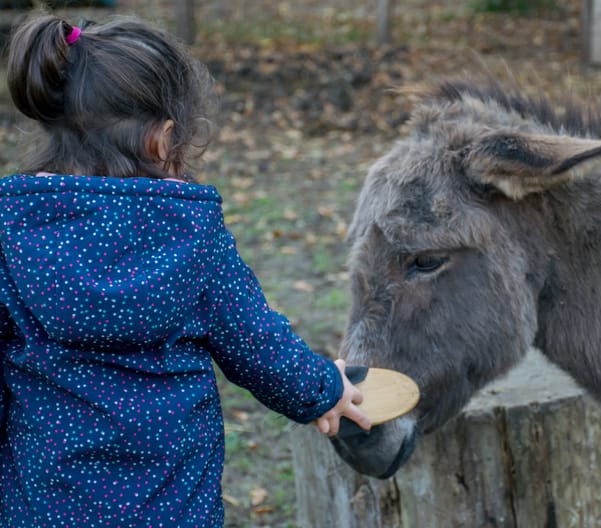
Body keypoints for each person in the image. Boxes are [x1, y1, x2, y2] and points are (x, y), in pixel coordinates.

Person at [0, 12, 370, 527]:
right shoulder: (192, 234)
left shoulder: (12, 228)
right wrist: (323, 389)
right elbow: (257, 345)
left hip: (39, 509)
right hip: (173, 511)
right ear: (163, 138)